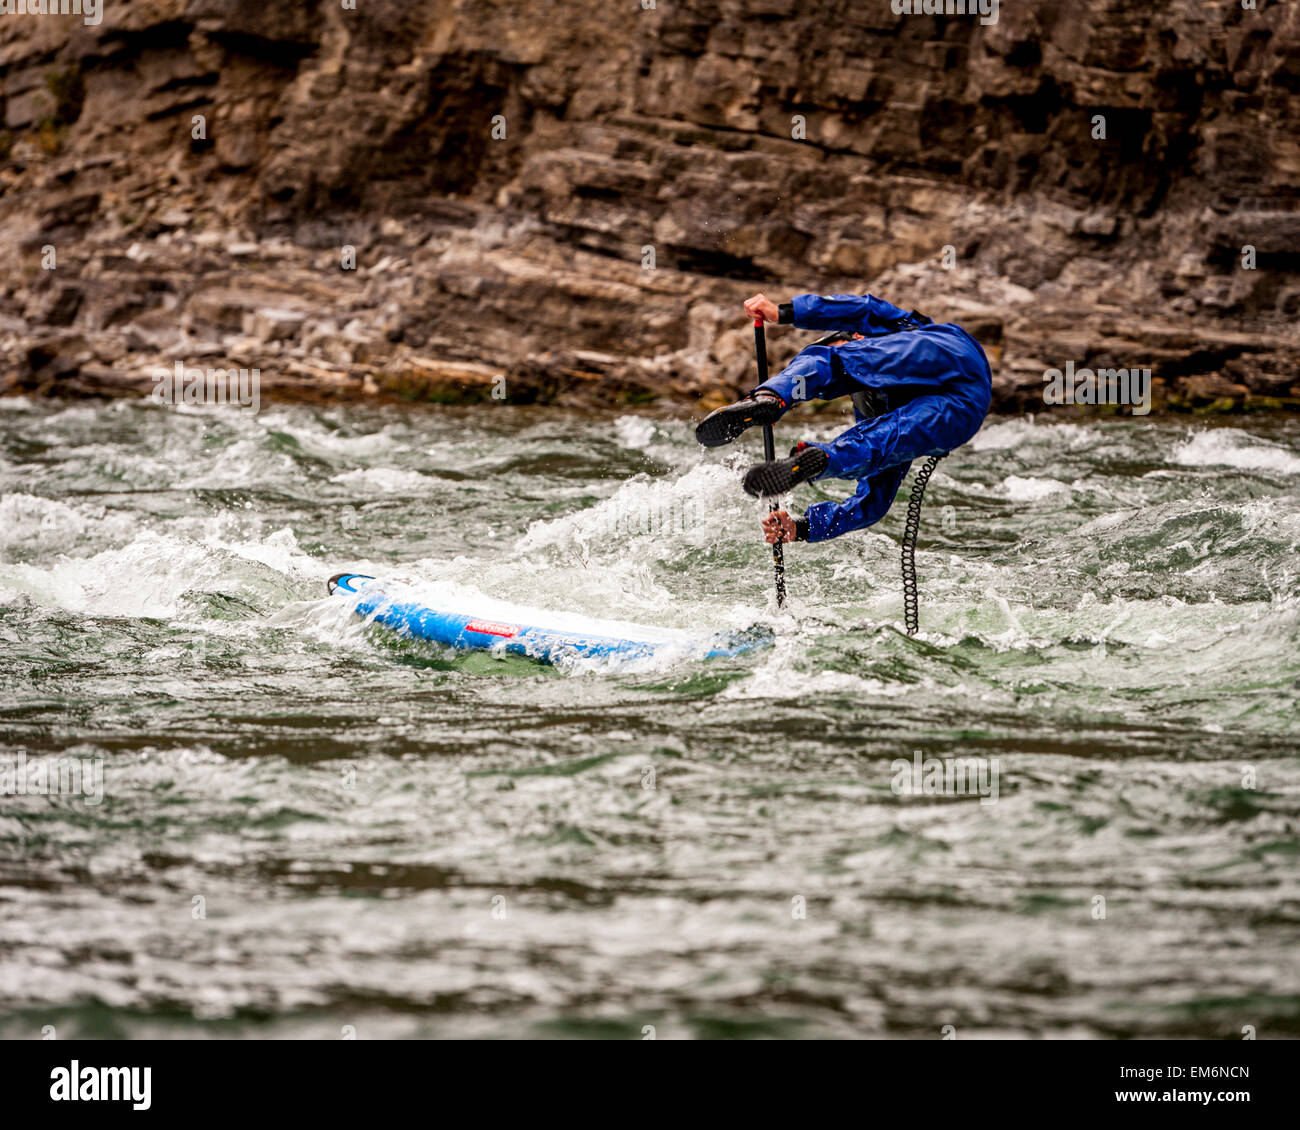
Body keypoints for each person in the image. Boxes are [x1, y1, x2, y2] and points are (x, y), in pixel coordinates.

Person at [696, 292, 992, 545]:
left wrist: (785, 312)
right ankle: (817, 456)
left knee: (834, 368)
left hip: (950, 353)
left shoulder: (892, 333)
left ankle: (774, 399)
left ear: (856, 336)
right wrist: (799, 529)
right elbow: (871, 506)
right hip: (964, 411)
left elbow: (860, 308)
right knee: (874, 445)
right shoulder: (872, 407)